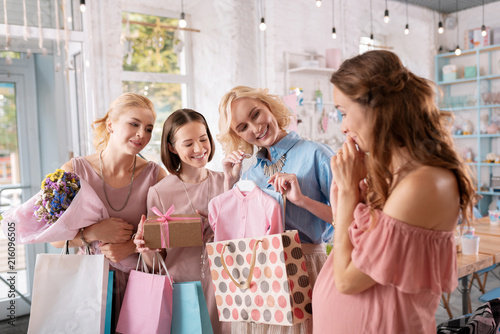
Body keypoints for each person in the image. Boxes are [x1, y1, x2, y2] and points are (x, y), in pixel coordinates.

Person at [312, 50, 476, 333]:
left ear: (377, 109)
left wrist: (350, 193)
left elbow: (348, 281)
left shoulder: (424, 183)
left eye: (343, 113)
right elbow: (354, 252)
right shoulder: (391, 175)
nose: (343, 127)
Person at [218, 86, 334, 333]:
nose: (255, 127)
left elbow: (351, 219)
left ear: (269, 107)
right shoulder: (250, 172)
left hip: (306, 268)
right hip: (260, 273)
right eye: (243, 127)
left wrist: (301, 200)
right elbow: (237, 230)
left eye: (256, 114)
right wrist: (230, 182)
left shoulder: (317, 154)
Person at [51, 92, 167, 328]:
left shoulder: (156, 175)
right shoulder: (74, 171)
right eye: (134, 124)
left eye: (148, 128)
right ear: (111, 124)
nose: (141, 134)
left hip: (138, 284)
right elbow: (54, 240)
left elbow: (163, 237)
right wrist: (94, 232)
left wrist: (131, 244)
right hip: (87, 283)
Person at [134, 108, 229, 333]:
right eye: (188, 144)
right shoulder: (159, 193)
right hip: (185, 291)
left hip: (227, 287)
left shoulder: (227, 183)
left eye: (203, 139)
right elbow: (158, 261)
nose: (199, 149)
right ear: (172, 147)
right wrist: (146, 249)